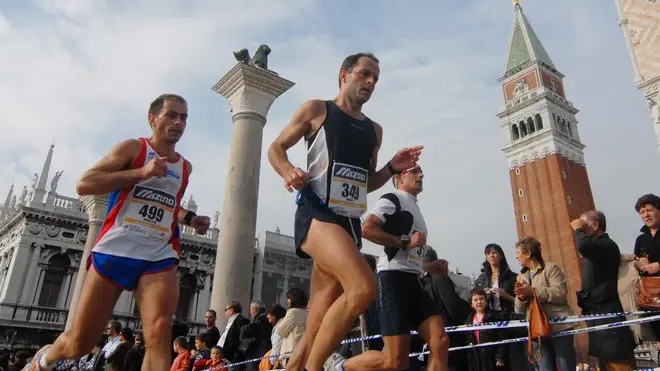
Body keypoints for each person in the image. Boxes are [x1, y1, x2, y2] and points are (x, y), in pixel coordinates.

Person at [24, 94, 211, 371]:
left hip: (158, 252)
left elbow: (169, 204)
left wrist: (191, 218)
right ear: (153, 118)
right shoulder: (133, 149)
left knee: (160, 330)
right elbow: (85, 183)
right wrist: (140, 173)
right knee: (80, 343)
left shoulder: (184, 167)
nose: (179, 122)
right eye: (171, 115)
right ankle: (45, 359)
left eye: (184, 117)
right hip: (116, 248)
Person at [267, 52, 423, 371]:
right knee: (363, 286)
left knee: (319, 319)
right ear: (344, 75)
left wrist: (393, 166)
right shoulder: (317, 109)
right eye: (365, 74)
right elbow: (275, 148)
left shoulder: (374, 131)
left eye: (375, 79)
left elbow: (367, 183)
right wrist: (287, 171)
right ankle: (315, 367)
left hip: (348, 222)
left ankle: (296, 366)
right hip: (317, 213)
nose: (370, 82)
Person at [330, 165, 449, 371]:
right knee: (394, 362)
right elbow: (367, 229)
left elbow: (409, 255)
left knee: (440, 341)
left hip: (413, 281)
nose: (421, 175)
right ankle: (340, 365)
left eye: (421, 171)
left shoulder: (415, 208)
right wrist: (405, 241)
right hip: (392, 281)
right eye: (415, 171)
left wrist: (430, 266)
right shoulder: (393, 199)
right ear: (399, 178)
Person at [572, 211, 637, 370]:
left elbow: (584, 246)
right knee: (606, 363)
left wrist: (578, 230)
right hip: (598, 315)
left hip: (609, 316)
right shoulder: (597, 247)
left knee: (618, 361)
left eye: (583, 224)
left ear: (595, 225)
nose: (579, 227)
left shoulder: (606, 245)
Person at [513, 237, 577, 371]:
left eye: (518, 253)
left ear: (528, 253)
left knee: (565, 365)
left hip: (559, 326)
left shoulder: (551, 268)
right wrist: (522, 297)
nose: (516, 256)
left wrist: (533, 291)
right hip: (537, 330)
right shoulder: (521, 277)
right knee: (544, 368)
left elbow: (560, 293)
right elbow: (518, 308)